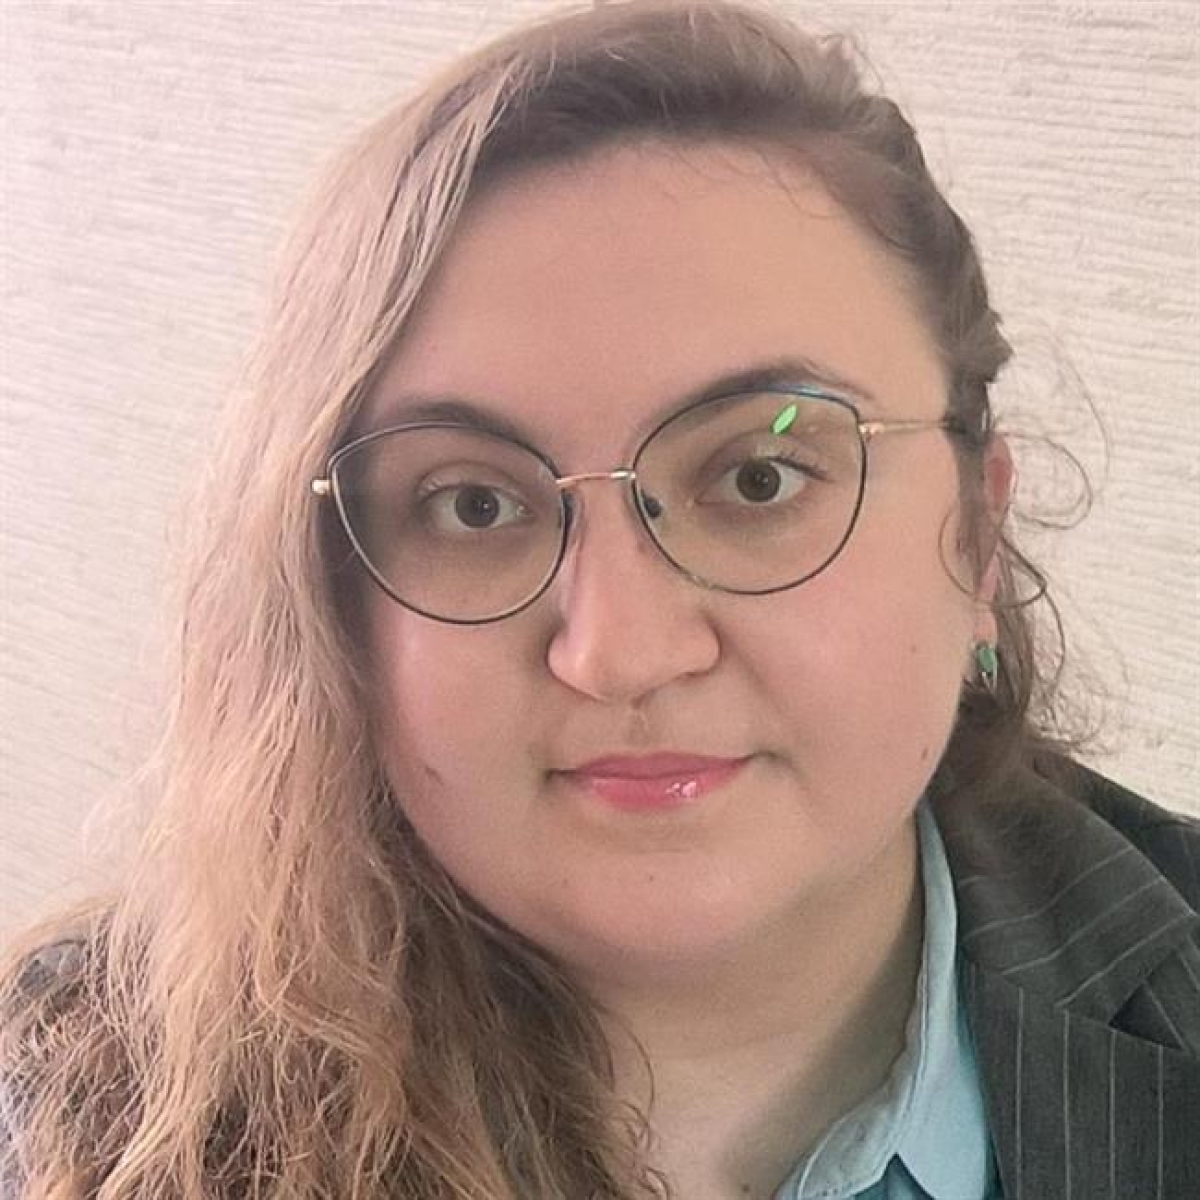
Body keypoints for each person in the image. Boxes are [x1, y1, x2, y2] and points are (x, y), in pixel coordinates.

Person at [2, 2, 1197, 1197]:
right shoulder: (74, 1118)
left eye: (760, 476)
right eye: (475, 504)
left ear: (976, 536)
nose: (620, 651)